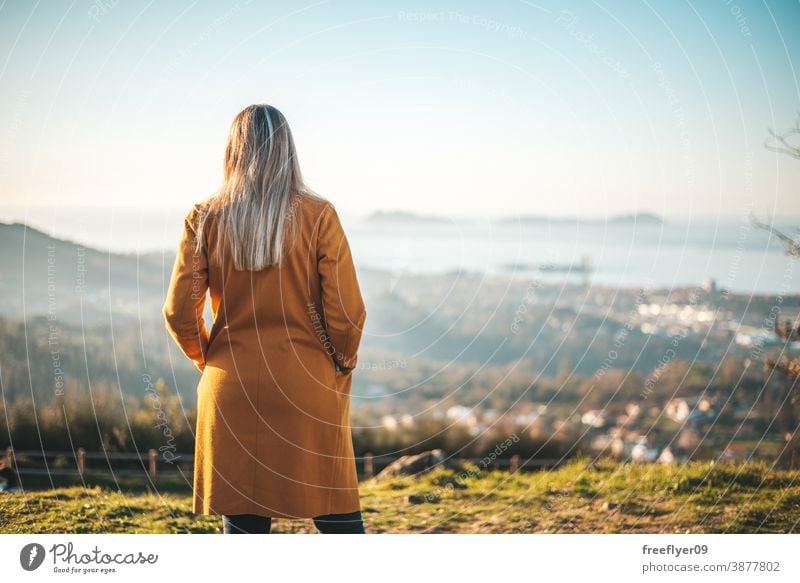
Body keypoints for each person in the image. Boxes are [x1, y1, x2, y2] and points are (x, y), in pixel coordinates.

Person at [163, 104, 367, 534]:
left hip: (230, 391)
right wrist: (340, 363)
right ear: (288, 150)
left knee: (244, 538)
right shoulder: (319, 215)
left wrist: (211, 360)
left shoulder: (204, 217)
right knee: (340, 524)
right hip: (307, 388)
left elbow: (180, 315)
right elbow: (346, 315)